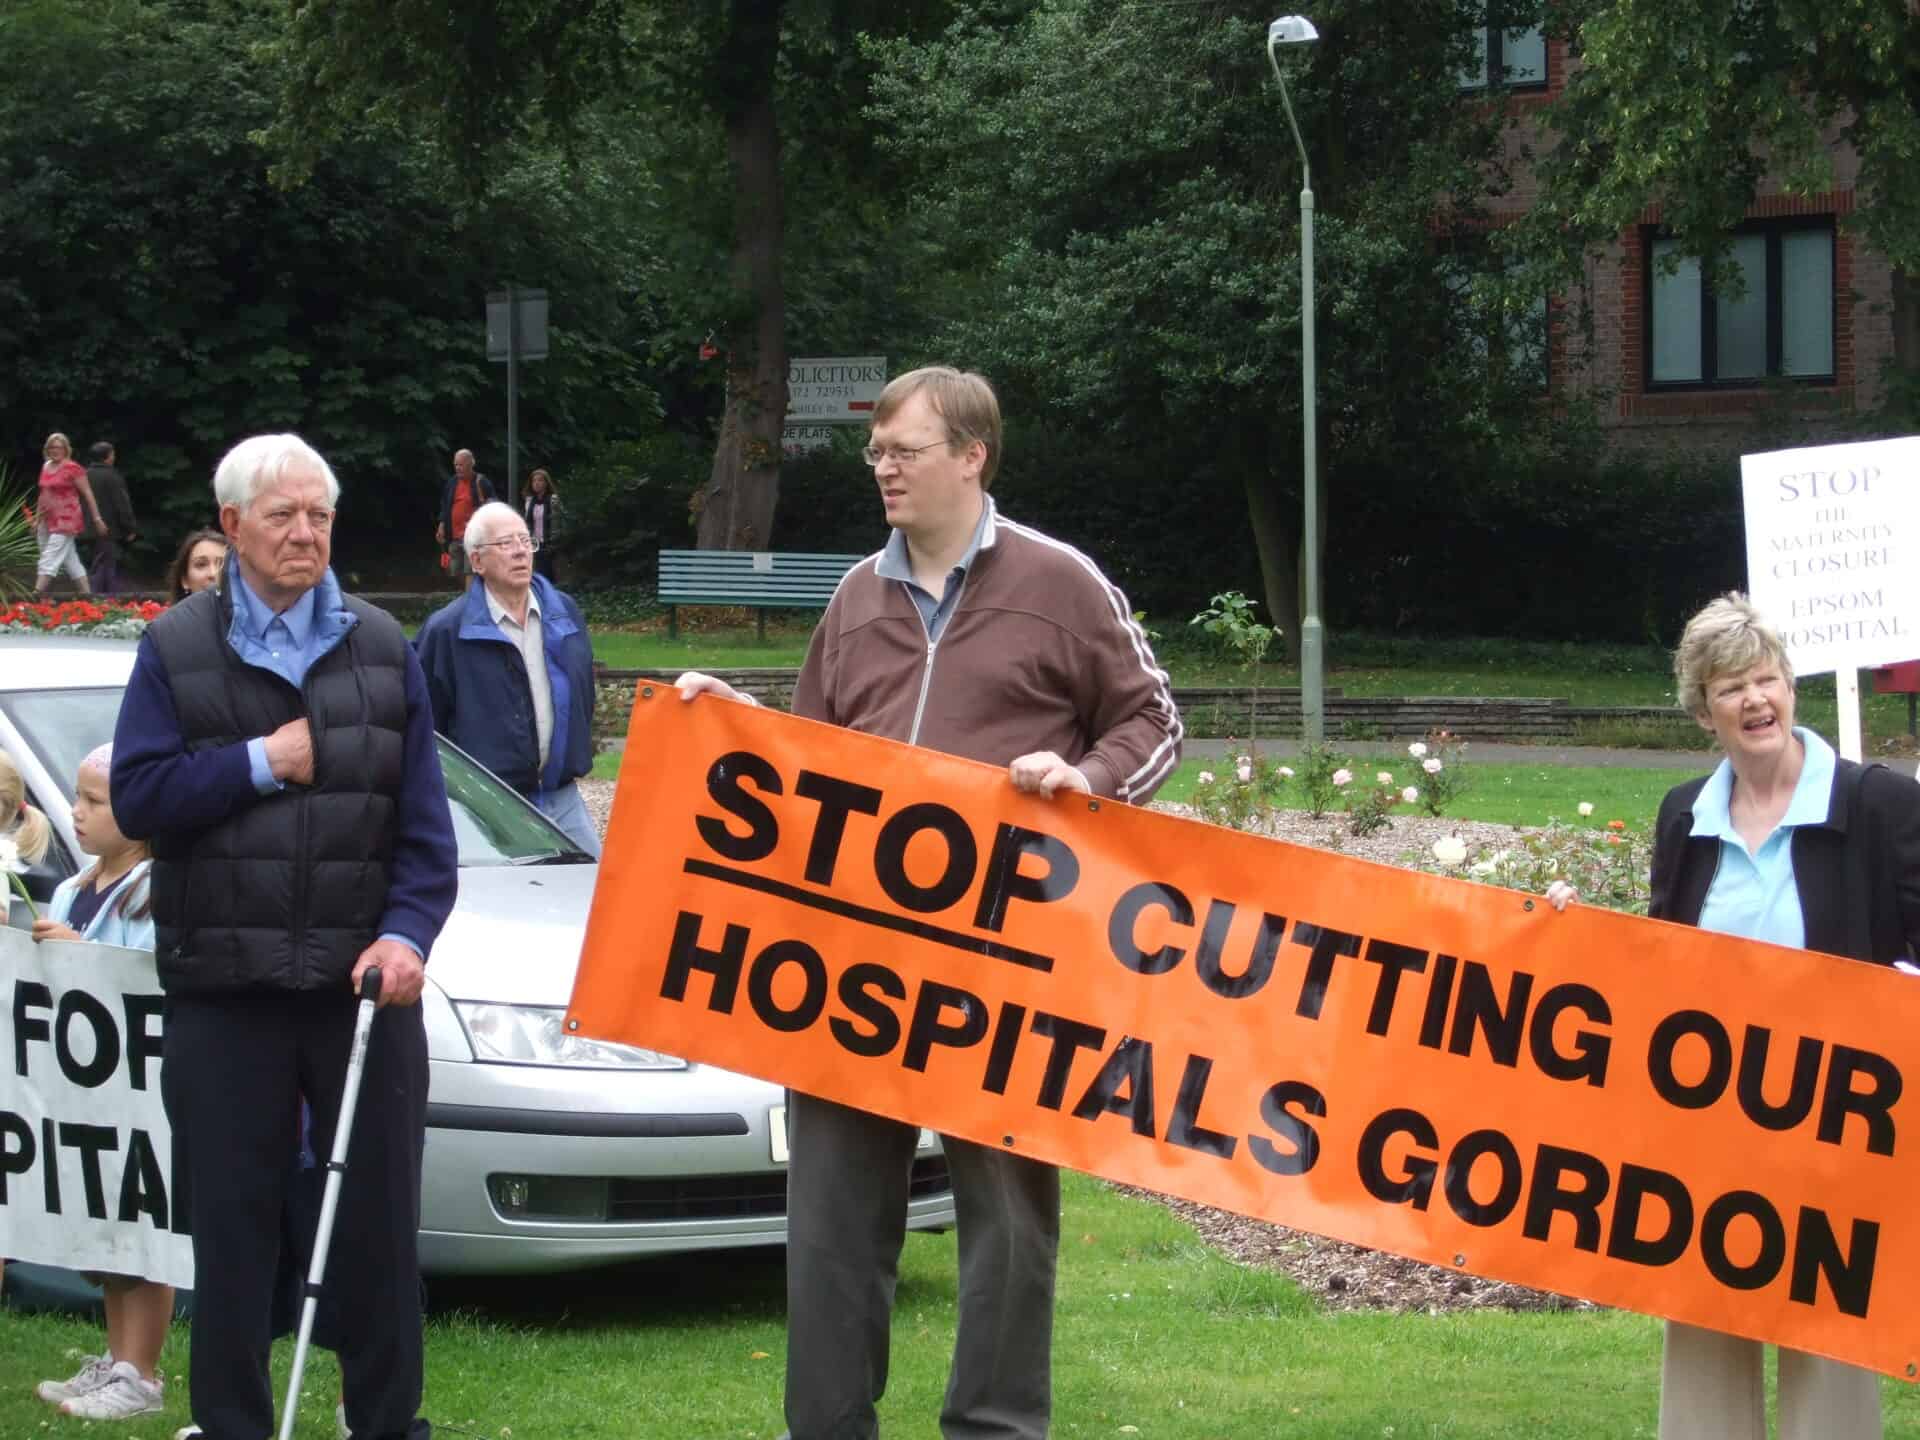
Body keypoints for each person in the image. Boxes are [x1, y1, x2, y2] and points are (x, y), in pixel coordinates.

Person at [677, 365, 1182, 1440]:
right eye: (876, 454)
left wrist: (1086, 783)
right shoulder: (855, 598)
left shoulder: (1063, 584)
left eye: (903, 451)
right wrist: (740, 730)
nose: (883, 470)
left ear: (971, 456)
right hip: (853, 973)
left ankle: (993, 1431)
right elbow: (813, 765)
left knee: (1006, 1227)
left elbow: (1154, 724)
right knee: (830, 1228)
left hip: (1007, 971)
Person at [110, 432, 459, 1440]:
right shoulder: (175, 645)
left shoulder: (385, 648)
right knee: (232, 1227)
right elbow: (138, 797)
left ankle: (387, 1425)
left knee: (380, 1230)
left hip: (361, 993)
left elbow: (426, 834)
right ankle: (232, 1425)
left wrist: (407, 935)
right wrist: (260, 760)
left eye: (320, 515)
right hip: (227, 990)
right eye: (282, 516)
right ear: (231, 525)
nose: (305, 534)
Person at [1546, 591, 1913, 1440]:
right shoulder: (1687, 816)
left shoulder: (1879, 805)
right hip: (1710, 1128)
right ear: (1703, 711)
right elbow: (1662, 966)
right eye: (1731, 688)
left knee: (1829, 1347)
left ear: (1791, 687)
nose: (1756, 700)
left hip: (1836, 1126)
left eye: (1767, 679)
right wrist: (1575, 934)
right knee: (1706, 1333)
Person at [29, 743, 171, 1422]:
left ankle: (141, 1372)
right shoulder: (68, 889)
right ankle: (117, 1359)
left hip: (137, 1101)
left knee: (140, 1229)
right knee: (101, 1227)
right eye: (77, 798)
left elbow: (146, 983)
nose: (76, 813)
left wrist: (83, 961)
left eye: (94, 802)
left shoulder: (156, 894)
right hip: (81, 1094)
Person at [414, 501, 600, 856]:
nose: (519, 551)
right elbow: (427, 730)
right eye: (505, 543)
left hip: (562, 796)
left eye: (524, 540)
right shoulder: (447, 632)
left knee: (597, 898)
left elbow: (582, 692)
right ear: (477, 561)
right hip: (490, 808)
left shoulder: (563, 612)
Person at [35, 431, 108, 596]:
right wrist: (37, 519)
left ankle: (36, 595)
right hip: (47, 518)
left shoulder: (73, 468)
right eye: (52, 447)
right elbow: (43, 494)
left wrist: (97, 518)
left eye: (59, 447)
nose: (55, 451)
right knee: (70, 559)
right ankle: (87, 595)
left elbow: (88, 494)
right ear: (47, 449)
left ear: (66, 449)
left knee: (50, 556)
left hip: (67, 519)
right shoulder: (46, 466)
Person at [85, 442, 139, 595]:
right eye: (113, 454)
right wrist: (130, 527)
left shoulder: (85, 474)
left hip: (87, 526)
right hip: (108, 527)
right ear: (107, 457)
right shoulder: (112, 476)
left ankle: (99, 596)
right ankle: (104, 598)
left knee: (97, 561)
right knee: (106, 564)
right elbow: (122, 504)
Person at [434, 448, 494, 581]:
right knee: (456, 571)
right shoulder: (452, 482)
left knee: (470, 571)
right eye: (456, 464)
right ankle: (466, 597)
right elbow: (445, 505)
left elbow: (493, 503)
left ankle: (469, 600)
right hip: (454, 536)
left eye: (461, 464)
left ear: (470, 464)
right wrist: (442, 525)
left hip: (473, 536)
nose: (458, 468)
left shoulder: (481, 482)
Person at [163, 527, 228, 602]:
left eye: (222, 564)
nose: (213, 574)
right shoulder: (173, 613)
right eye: (201, 564)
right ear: (184, 579)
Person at [521, 468, 560, 582]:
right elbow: (527, 521)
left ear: (546, 483)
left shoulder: (553, 500)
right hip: (533, 541)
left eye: (540, 480)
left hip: (548, 541)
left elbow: (556, 522)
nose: (537, 483)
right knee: (534, 571)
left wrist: (555, 540)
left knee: (546, 571)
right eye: (534, 481)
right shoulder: (529, 500)